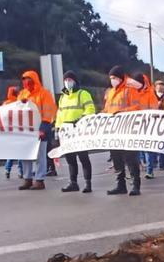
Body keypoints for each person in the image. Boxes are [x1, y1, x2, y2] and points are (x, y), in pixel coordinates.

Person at [102, 66, 146, 196]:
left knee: (130, 158)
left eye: (114, 78)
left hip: (128, 129)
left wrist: (122, 112)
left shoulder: (130, 90)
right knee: (116, 159)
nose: (112, 80)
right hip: (114, 130)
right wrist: (101, 114)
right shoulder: (110, 92)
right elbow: (107, 109)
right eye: (111, 78)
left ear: (121, 78)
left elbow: (137, 107)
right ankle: (120, 185)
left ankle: (135, 185)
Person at [56, 70, 97, 193]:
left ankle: (88, 184)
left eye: (70, 80)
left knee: (83, 157)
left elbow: (90, 109)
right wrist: (57, 128)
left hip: (79, 131)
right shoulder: (63, 97)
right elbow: (60, 114)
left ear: (75, 81)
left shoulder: (83, 94)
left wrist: (79, 120)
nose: (68, 82)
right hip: (66, 132)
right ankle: (73, 183)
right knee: (70, 159)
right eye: (66, 80)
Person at [17, 70, 56, 191]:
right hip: (26, 131)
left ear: (34, 80)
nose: (26, 82)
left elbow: (49, 112)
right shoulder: (22, 94)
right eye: (24, 80)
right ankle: (27, 179)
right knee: (26, 155)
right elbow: (16, 111)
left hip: (41, 130)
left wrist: (43, 128)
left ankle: (39, 180)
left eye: (28, 79)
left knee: (40, 156)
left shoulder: (44, 94)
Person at [2, 86, 24, 180]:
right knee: (20, 153)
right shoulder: (19, 103)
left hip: (10, 131)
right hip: (18, 130)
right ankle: (20, 171)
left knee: (11, 152)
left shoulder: (6, 103)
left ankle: (7, 170)